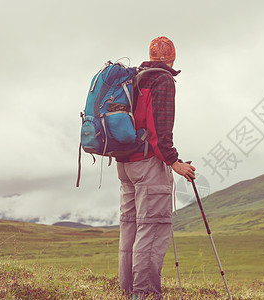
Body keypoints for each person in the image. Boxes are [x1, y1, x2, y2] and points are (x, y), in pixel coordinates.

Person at [116, 36, 196, 299]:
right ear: (173, 58)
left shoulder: (136, 76)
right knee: (152, 229)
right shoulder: (162, 80)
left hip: (126, 163)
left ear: (150, 55)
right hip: (149, 164)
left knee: (131, 227)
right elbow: (159, 131)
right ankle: (146, 294)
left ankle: (128, 290)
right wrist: (174, 162)